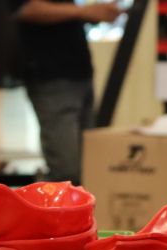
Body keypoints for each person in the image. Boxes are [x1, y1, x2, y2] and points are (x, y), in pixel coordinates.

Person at [12, 0, 122, 183]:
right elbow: (25, 9)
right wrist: (84, 12)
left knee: (88, 166)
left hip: (80, 73)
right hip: (51, 75)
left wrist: (94, 13)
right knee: (66, 171)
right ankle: (49, 207)